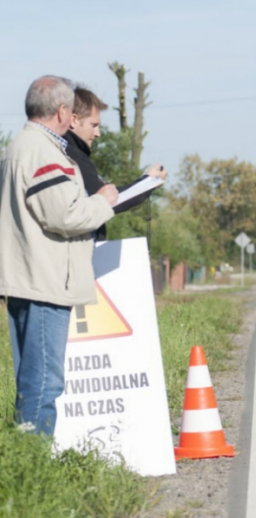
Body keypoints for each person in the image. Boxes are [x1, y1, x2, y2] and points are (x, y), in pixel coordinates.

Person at [0, 76, 118, 435]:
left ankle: (23, 461)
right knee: (44, 384)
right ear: (64, 111)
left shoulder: (20, 146)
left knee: (32, 380)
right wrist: (103, 201)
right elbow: (63, 215)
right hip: (45, 281)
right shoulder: (42, 151)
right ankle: (33, 470)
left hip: (29, 277)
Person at [65, 86, 166, 242]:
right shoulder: (73, 156)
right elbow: (112, 200)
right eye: (93, 125)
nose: (98, 133)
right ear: (74, 120)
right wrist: (148, 182)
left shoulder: (69, 152)